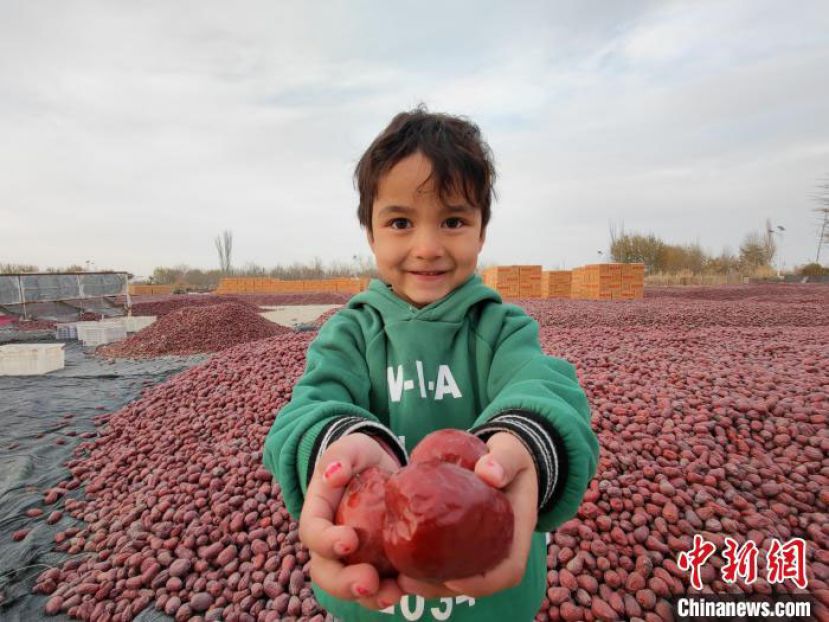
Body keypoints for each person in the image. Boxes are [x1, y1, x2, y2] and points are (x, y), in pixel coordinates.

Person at [262, 106, 599, 622]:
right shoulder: (349, 333)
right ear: (370, 234)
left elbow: (547, 389)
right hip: (372, 594)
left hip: (489, 596)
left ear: (481, 231)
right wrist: (337, 451)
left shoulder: (501, 329)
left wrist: (524, 445)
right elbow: (308, 409)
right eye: (400, 222)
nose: (427, 247)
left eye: (453, 221)